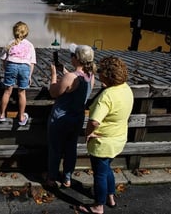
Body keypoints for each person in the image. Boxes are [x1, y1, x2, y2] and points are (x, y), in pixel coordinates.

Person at [77, 56, 134, 214]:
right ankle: (111, 197)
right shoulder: (125, 88)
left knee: (100, 174)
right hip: (119, 138)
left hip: (103, 142)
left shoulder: (107, 96)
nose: (98, 72)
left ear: (107, 75)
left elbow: (94, 121)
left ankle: (98, 206)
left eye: (100, 71)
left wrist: (88, 133)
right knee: (107, 168)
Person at [46, 44, 96, 188]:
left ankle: (51, 177)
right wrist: (65, 71)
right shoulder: (90, 76)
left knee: (55, 149)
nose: (70, 57)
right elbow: (76, 81)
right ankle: (67, 177)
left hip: (60, 119)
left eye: (72, 55)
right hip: (77, 118)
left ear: (76, 58)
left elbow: (54, 92)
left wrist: (54, 74)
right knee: (70, 148)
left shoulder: (70, 77)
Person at [0, 21, 36, 125]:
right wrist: (29, 76)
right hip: (25, 68)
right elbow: (32, 63)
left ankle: (1, 115)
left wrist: (7, 69)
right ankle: (21, 116)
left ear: (14, 32)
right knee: (21, 93)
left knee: (7, 91)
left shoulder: (10, 43)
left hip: (11, 66)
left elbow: (4, 60)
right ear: (26, 33)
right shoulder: (30, 45)